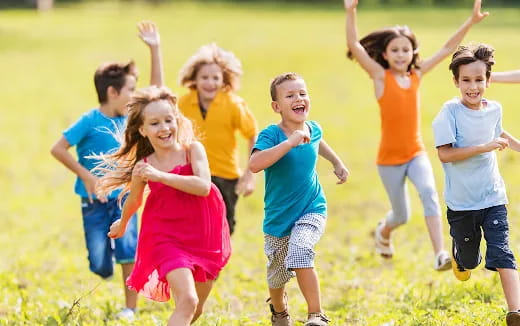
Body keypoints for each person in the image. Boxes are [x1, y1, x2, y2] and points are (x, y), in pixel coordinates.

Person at [343, 0, 489, 270]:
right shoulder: (379, 76)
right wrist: (351, 11)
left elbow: (447, 49)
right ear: (385, 55)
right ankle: (383, 232)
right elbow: (355, 46)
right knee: (401, 215)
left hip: (415, 152)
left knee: (429, 193)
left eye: (405, 49)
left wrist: (470, 22)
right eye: (394, 50)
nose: (400, 54)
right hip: (388, 160)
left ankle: (440, 254)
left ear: (413, 53)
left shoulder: (416, 75)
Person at [95, 86, 231, 326]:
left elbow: (203, 186)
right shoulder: (144, 165)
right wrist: (124, 221)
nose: (165, 128)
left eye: (169, 120)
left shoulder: (193, 151)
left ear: (177, 120)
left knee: (195, 308)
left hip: (202, 235)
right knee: (187, 300)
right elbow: (135, 199)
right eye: (155, 123)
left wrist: (160, 177)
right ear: (143, 130)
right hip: (165, 237)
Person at [137, 21, 258, 235]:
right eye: (204, 77)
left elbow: (253, 136)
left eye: (215, 78)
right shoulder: (184, 103)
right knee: (195, 228)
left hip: (225, 176)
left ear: (224, 80)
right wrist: (155, 49)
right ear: (194, 79)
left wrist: (250, 174)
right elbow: (157, 95)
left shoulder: (234, 105)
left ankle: (211, 268)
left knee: (222, 230)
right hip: (192, 174)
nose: (210, 83)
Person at [249, 72, 349, 326]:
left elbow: (318, 141)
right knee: (277, 277)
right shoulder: (272, 134)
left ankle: (316, 315)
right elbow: (254, 164)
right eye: (290, 95)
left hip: (311, 208)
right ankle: (279, 310)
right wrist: (289, 144)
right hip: (278, 219)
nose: (298, 98)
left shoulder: (312, 128)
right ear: (276, 106)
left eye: (302, 93)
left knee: (301, 251)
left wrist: (336, 162)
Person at [432, 44, 520, 326]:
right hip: (461, 203)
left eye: (479, 79)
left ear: (488, 80)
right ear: (456, 81)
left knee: (503, 250)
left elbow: (497, 131)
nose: (473, 86)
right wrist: (484, 147)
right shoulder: (450, 112)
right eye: (466, 80)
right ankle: (461, 254)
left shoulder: (494, 108)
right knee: (470, 262)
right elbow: (445, 153)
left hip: (492, 196)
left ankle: (515, 311)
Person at [50, 61, 139, 320]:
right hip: (93, 201)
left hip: (124, 198)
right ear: (113, 92)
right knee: (99, 261)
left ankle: (130, 307)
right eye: (131, 90)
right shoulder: (89, 120)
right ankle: (104, 266)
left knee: (128, 252)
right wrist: (86, 177)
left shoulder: (132, 120)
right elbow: (57, 148)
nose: (135, 97)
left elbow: (158, 90)